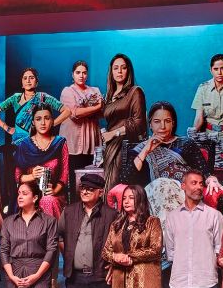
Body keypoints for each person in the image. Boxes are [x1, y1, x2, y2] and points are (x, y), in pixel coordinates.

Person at [126, 101, 221, 221]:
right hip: (153, 197)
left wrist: (212, 180)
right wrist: (146, 150)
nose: (162, 126)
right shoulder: (141, 149)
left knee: (167, 186)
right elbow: (126, 179)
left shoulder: (186, 144)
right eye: (157, 121)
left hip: (183, 194)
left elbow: (204, 172)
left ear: (173, 123)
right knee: (161, 184)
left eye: (167, 121)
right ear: (150, 124)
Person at [14, 103, 69, 218]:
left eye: (47, 118)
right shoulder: (24, 144)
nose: (43, 123)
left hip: (53, 193)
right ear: (33, 122)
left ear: (52, 121)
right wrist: (32, 176)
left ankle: (51, 230)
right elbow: (18, 177)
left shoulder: (60, 143)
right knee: (32, 200)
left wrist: (54, 191)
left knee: (48, 200)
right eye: (38, 119)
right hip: (29, 194)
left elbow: (64, 175)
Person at [59, 60, 104, 201]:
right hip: (73, 143)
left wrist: (92, 110)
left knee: (91, 179)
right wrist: (95, 108)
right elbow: (75, 113)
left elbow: (103, 113)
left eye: (84, 73)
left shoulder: (94, 90)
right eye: (78, 72)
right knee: (74, 181)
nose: (81, 75)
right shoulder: (67, 91)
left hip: (91, 141)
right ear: (72, 74)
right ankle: (74, 208)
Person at [101, 53, 147, 189]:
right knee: (108, 188)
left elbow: (139, 123)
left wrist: (113, 133)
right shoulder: (109, 96)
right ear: (111, 72)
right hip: (110, 146)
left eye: (123, 68)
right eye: (116, 68)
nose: (119, 71)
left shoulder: (135, 91)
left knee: (119, 187)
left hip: (127, 147)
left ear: (129, 71)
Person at [0, 67, 71, 141]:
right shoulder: (15, 98)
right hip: (18, 140)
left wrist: (50, 124)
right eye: (25, 78)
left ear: (36, 82)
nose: (28, 80)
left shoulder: (43, 97)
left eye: (31, 78)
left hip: (38, 140)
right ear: (22, 83)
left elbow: (67, 111)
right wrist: (7, 128)